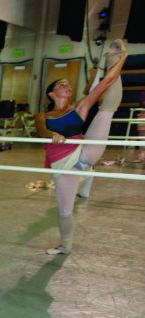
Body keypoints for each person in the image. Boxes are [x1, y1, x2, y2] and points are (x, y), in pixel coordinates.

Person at [35, 39, 128, 255]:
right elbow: (41, 131)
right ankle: (65, 246)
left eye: (69, 84)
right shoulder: (43, 115)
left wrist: (121, 57)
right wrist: (52, 134)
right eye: (62, 84)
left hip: (84, 152)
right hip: (63, 165)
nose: (68, 86)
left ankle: (113, 56)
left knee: (107, 110)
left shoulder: (80, 107)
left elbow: (108, 81)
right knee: (64, 211)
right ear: (51, 93)